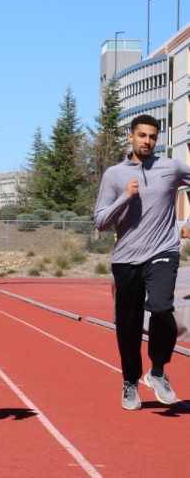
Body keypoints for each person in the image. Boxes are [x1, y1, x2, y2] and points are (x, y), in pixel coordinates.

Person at [94, 113, 188, 410]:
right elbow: (100, 222)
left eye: (153, 136)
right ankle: (130, 381)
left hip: (163, 250)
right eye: (142, 135)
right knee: (129, 324)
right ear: (131, 137)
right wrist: (125, 197)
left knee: (162, 308)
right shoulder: (114, 174)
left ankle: (158, 370)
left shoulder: (171, 168)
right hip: (126, 259)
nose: (147, 141)